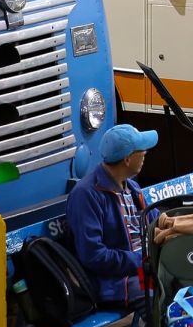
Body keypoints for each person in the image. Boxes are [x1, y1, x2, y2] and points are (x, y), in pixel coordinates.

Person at [66, 124, 159, 310]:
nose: (146, 153)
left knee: (189, 275)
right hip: (116, 283)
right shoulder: (86, 195)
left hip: (143, 268)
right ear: (127, 159)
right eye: (141, 150)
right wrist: (142, 259)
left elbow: (155, 220)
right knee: (160, 290)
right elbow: (94, 256)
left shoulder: (131, 186)